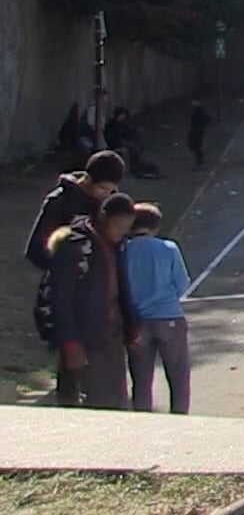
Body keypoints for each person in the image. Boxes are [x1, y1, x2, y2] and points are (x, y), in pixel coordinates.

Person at [41, 192, 138, 409]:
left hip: (111, 333)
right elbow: (61, 299)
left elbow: (122, 287)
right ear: (103, 217)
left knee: (117, 400)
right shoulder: (75, 245)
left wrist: (131, 325)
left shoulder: (116, 245)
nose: (121, 233)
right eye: (118, 226)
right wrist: (71, 344)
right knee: (94, 403)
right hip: (85, 336)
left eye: (126, 228)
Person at [124, 202, 192, 414]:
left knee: (141, 379)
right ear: (156, 227)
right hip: (168, 316)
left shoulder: (123, 250)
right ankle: (179, 416)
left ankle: (143, 418)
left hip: (137, 320)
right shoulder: (169, 248)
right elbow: (182, 283)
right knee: (178, 374)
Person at [24, 150, 124, 272]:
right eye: (103, 188)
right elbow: (36, 249)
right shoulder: (59, 202)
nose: (107, 194)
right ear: (87, 179)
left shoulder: (109, 202)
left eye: (111, 190)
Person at [105, 108, 158, 179]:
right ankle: (135, 166)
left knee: (135, 146)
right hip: (115, 143)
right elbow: (113, 136)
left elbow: (129, 130)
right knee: (133, 148)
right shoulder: (112, 124)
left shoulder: (122, 123)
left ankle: (137, 164)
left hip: (121, 142)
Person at [187, 100, 212, 170]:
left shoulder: (198, 111)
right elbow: (209, 120)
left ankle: (200, 163)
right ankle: (201, 161)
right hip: (198, 131)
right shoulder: (200, 111)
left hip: (197, 132)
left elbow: (193, 122)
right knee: (196, 147)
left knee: (196, 147)